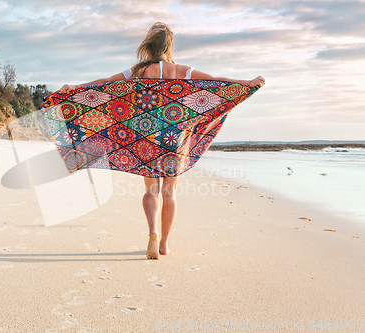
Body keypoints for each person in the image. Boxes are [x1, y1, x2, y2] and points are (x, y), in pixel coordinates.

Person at [60, 22, 265, 260]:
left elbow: (105, 83)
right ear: (169, 46)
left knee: (151, 191)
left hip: (146, 136)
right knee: (170, 193)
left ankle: (152, 232)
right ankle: (165, 244)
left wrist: (76, 87)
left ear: (149, 46)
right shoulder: (183, 71)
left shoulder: (139, 70)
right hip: (173, 138)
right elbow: (217, 83)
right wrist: (247, 84)